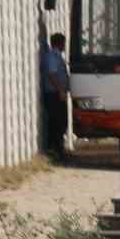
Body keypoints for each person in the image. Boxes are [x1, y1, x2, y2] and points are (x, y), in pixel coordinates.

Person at [40, 32, 70, 160]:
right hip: (54, 94)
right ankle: (55, 150)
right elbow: (51, 75)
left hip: (58, 93)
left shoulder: (57, 56)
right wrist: (60, 90)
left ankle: (58, 148)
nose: (65, 46)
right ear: (60, 43)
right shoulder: (52, 56)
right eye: (64, 43)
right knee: (57, 122)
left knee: (61, 122)